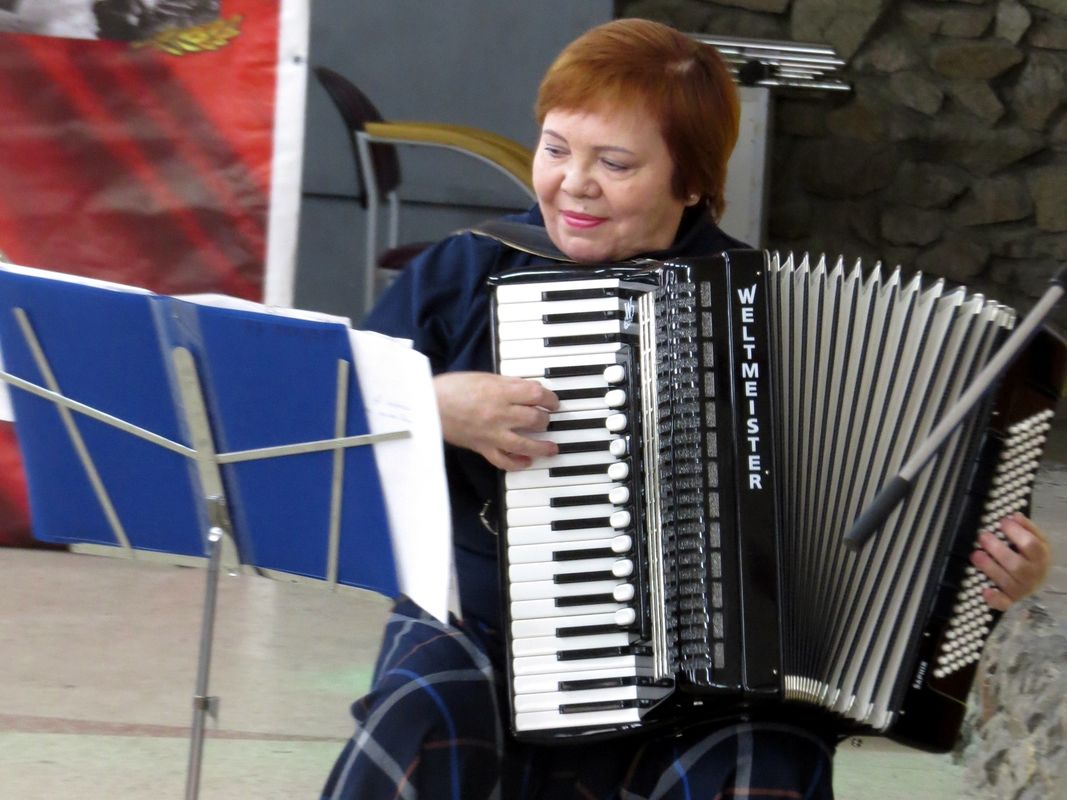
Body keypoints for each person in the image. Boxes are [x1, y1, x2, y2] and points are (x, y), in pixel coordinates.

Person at [321, 18, 1053, 800]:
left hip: (703, 692)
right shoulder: (466, 270)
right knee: (419, 711)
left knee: (765, 765)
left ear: (693, 182)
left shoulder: (769, 314)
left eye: (615, 163)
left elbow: (911, 519)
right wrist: (431, 405)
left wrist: (993, 567)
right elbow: (318, 414)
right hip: (488, 637)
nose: (573, 182)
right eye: (556, 148)